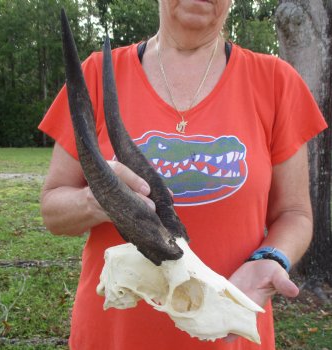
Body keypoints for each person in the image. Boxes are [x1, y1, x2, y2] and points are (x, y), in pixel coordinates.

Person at [39, 1, 327, 349]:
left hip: (230, 335)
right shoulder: (97, 74)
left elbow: (294, 214)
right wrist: (95, 197)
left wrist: (271, 258)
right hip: (113, 338)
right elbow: (53, 210)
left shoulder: (277, 82)